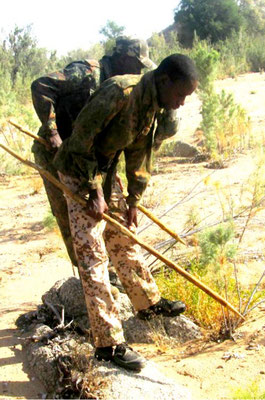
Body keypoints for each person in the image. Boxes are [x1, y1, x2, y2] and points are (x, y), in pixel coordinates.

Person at [53, 53, 198, 371]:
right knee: (93, 255)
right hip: (78, 170)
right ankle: (108, 344)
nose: (182, 103)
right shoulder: (120, 92)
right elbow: (80, 141)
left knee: (123, 235)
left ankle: (147, 304)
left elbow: (139, 154)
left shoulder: (154, 106)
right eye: (180, 94)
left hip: (105, 171)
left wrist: (133, 201)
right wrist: (93, 191)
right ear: (164, 80)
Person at [31, 36, 176, 268]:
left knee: (107, 212)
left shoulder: (129, 90)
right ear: (121, 57)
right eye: (136, 65)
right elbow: (41, 86)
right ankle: (87, 273)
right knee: (72, 220)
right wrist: (52, 132)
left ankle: (113, 272)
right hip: (58, 155)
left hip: (92, 160)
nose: (139, 71)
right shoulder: (87, 73)